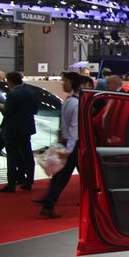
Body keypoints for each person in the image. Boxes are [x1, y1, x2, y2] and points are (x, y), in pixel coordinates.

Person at [33, 71, 82, 218]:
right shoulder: (73, 102)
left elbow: (72, 127)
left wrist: (67, 145)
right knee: (62, 177)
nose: (63, 84)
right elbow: (73, 128)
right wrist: (69, 147)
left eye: (65, 81)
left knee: (61, 176)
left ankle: (48, 202)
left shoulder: (72, 101)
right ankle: (48, 205)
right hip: (72, 145)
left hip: (70, 144)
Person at [0, 71, 38, 193]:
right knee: (27, 155)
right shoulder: (30, 92)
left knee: (12, 157)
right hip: (26, 128)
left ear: (10, 81)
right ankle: (29, 181)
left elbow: (7, 112)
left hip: (13, 129)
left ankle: (11, 184)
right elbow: (35, 110)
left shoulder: (13, 94)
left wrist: (2, 108)